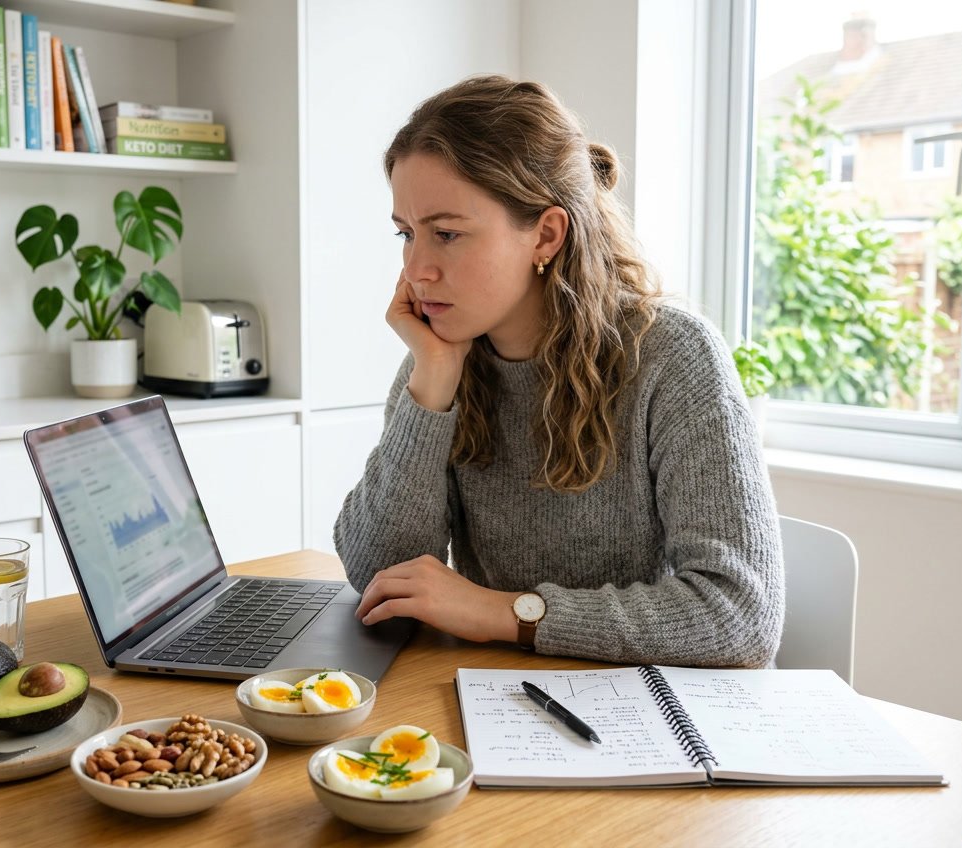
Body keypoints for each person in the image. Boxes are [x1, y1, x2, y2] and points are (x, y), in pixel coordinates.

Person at [332, 74, 784, 668]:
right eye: (406, 233)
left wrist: (503, 613)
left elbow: (740, 616)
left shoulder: (673, 357)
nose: (417, 267)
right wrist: (433, 384)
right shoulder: (443, 355)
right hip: (507, 703)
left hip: (658, 717)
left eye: (446, 234)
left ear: (545, 234)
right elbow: (381, 579)